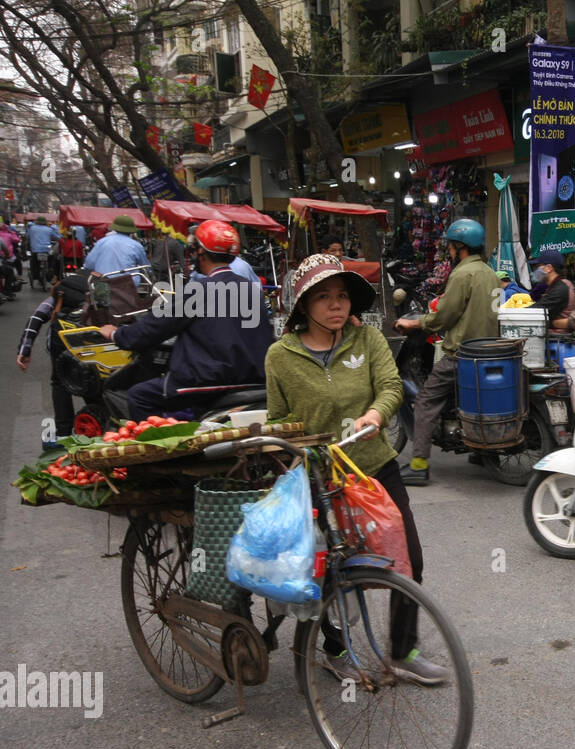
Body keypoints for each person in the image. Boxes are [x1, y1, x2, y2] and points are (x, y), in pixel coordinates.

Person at [264, 254, 446, 685]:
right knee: (327, 571)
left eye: (342, 296)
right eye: (324, 297)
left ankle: (403, 651)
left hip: (374, 468)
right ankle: (334, 647)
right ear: (303, 304)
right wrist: (287, 448)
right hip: (318, 476)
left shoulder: (368, 340)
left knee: (408, 562)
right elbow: (277, 418)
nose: (336, 305)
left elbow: (390, 387)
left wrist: (376, 414)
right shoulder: (280, 356)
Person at [97, 220, 272, 419]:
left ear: (201, 253)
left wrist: (116, 333)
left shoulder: (199, 290)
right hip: (254, 379)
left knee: (139, 396)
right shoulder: (251, 289)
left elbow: (154, 327)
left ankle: (160, 446)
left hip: (207, 382)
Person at [392, 218, 499, 486]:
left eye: (451, 248)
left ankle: (418, 465)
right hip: (489, 352)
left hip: (462, 355)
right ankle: (483, 452)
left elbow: (444, 317)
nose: (449, 252)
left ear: (459, 247)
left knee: (426, 401)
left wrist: (415, 322)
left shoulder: (462, 274)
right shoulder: (491, 273)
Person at [16, 270, 84, 447]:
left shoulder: (58, 296)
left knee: (59, 382)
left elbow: (36, 318)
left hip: (62, 341)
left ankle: (63, 433)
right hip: (97, 339)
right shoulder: (101, 289)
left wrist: (25, 349)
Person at [83, 215, 150, 285]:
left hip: (103, 283)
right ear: (131, 231)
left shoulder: (102, 242)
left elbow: (89, 264)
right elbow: (145, 266)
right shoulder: (136, 245)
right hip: (127, 286)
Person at [529, 250, 575, 322]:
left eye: (537, 266)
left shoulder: (559, 289)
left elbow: (536, 310)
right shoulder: (554, 286)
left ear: (549, 268)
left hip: (558, 332)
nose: (534, 270)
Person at [24, 216, 58, 290]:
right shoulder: (49, 229)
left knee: (34, 262)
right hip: (46, 250)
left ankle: (35, 275)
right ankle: (49, 271)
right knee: (51, 261)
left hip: (35, 250)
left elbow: (27, 237)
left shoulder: (32, 228)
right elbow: (57, 237)